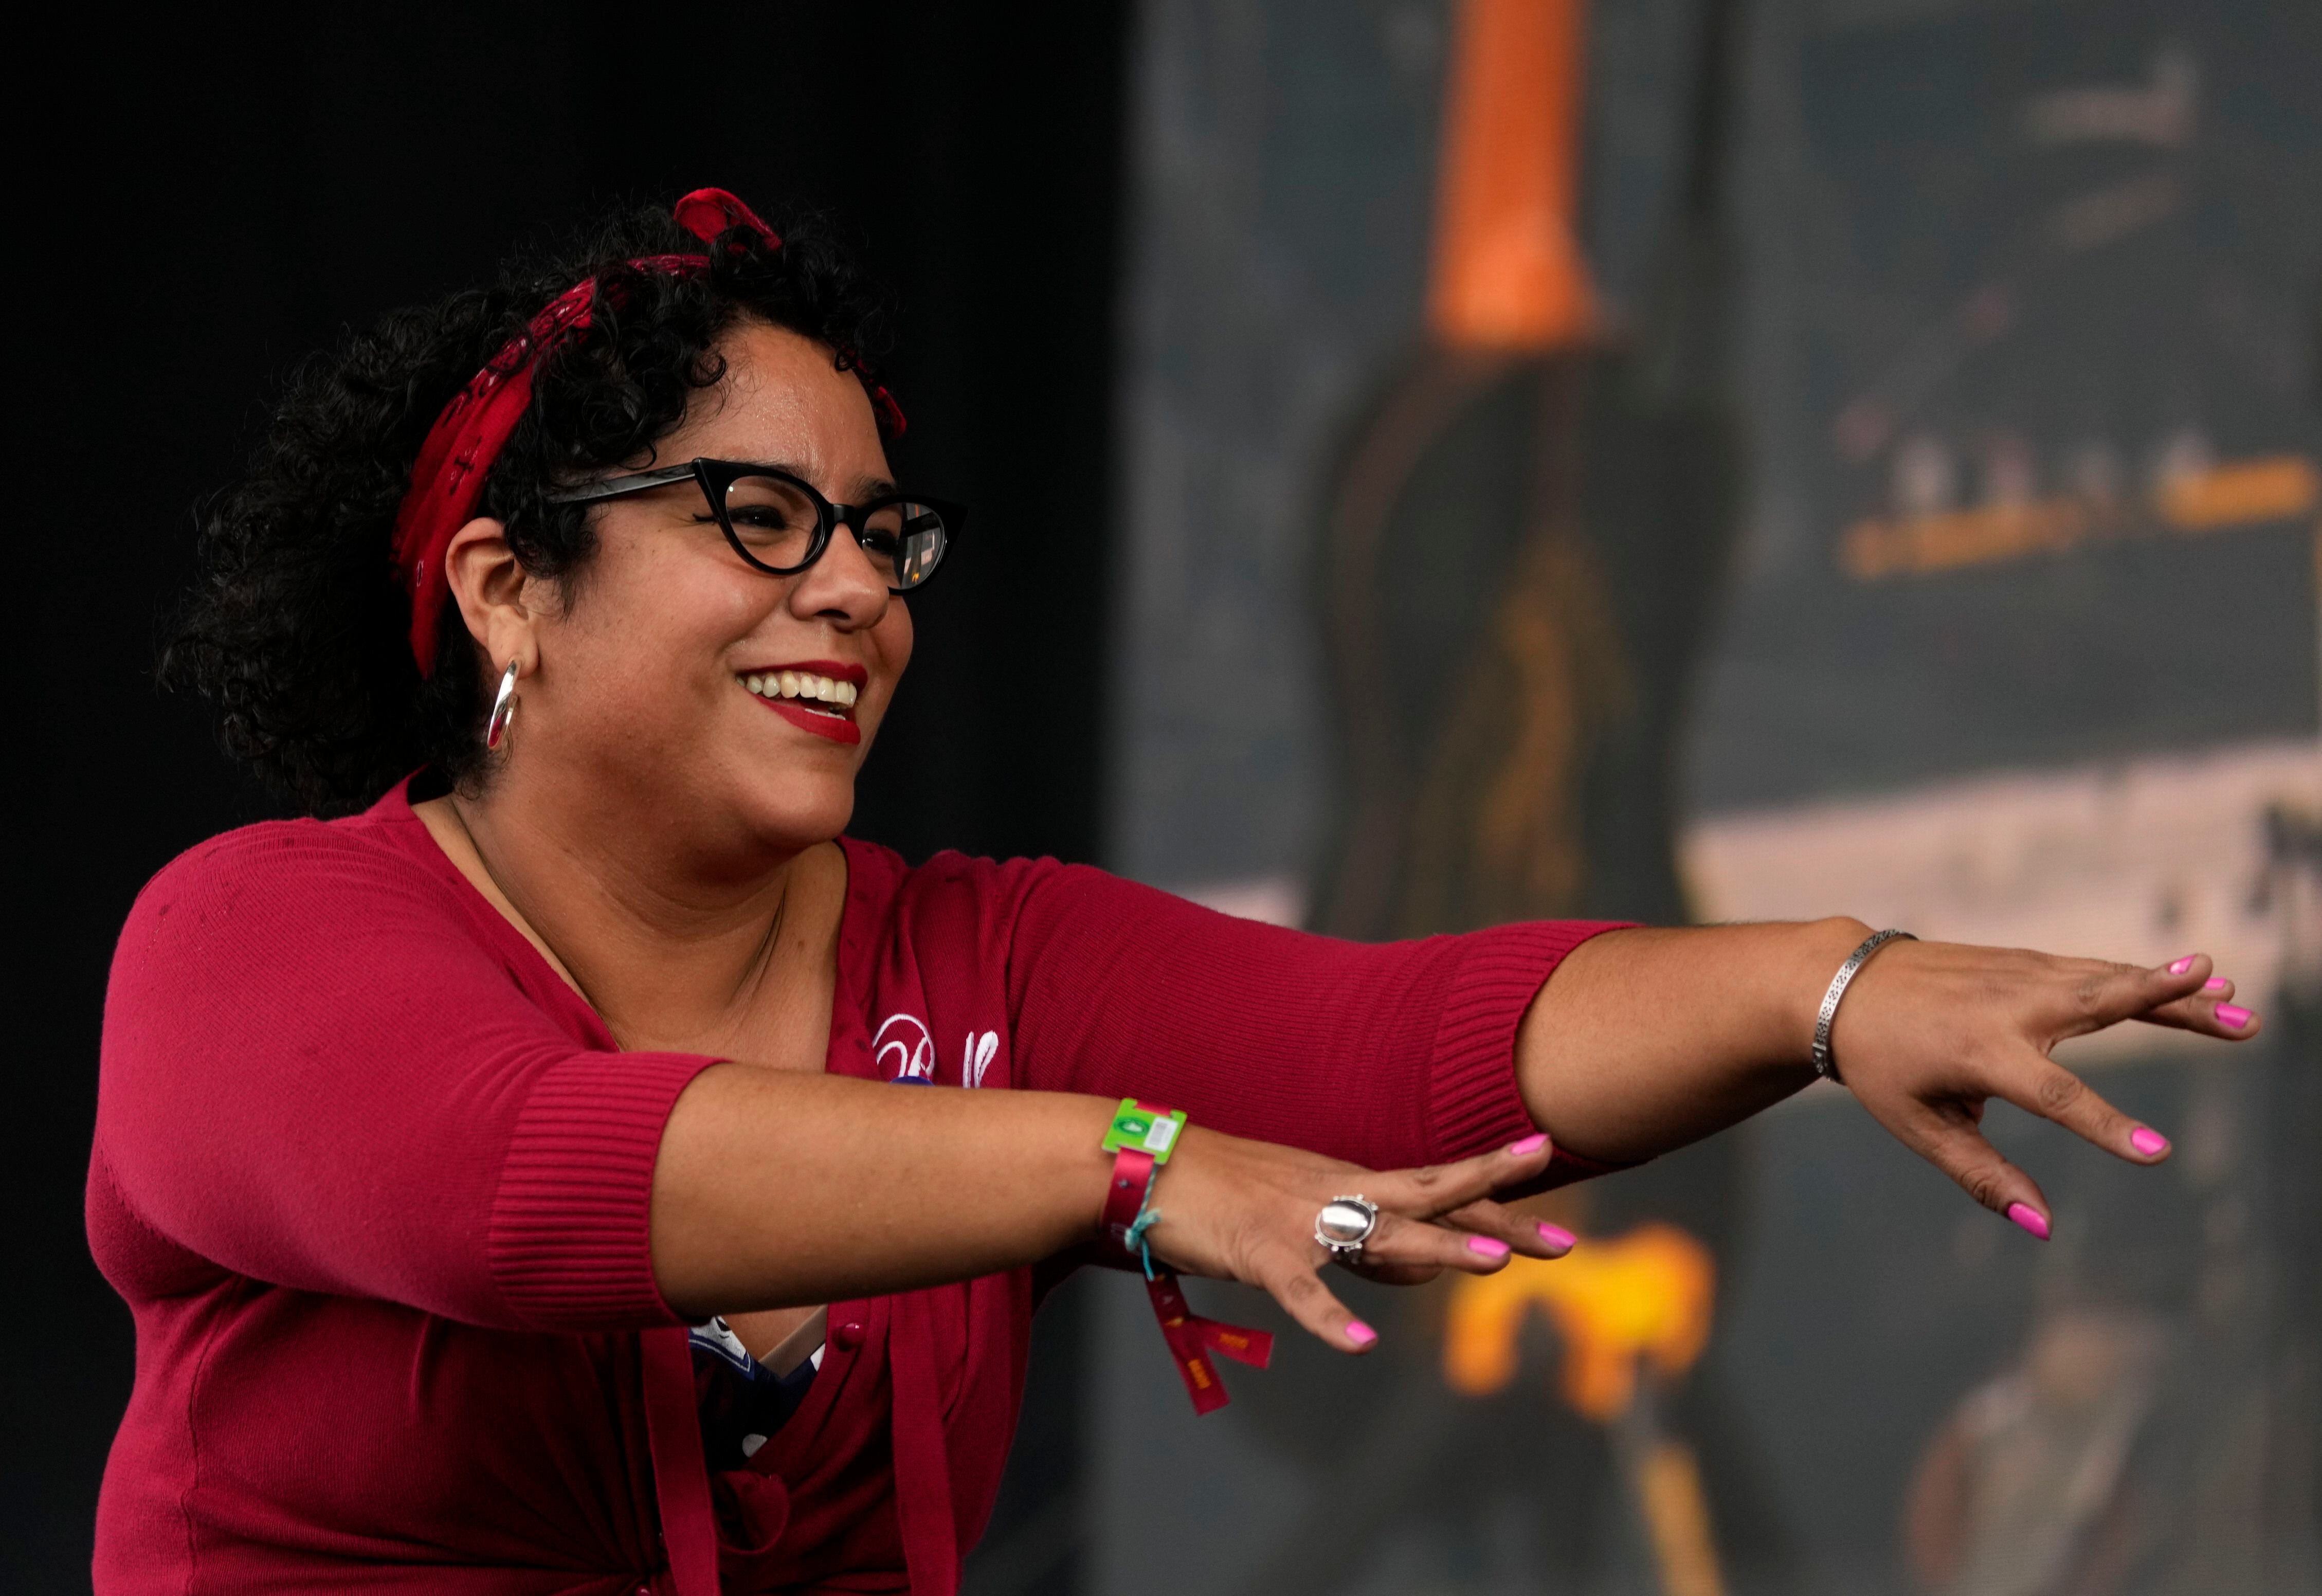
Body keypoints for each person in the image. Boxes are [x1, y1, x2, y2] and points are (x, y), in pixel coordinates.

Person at [90, 189, 2259, 1596]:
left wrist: (1829, 986)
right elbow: (505, 1185)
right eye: (756, 515)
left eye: (881, 533)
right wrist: (1133, 1164)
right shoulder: (251, 941)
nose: (852, 585)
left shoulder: (976, 958)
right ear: (507, 592)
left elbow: (1401, 1042)